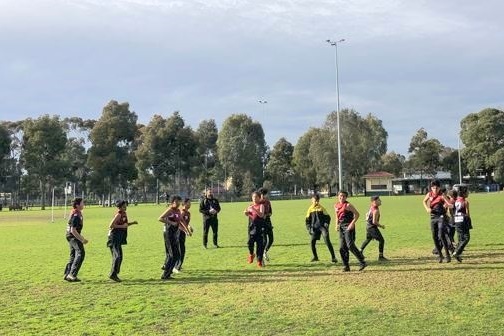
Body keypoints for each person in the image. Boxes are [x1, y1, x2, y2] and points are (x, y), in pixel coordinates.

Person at [107, 200, 139, 282]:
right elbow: (111, 225)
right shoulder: (118, 215)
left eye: (126, 206)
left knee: (120, 256)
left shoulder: (124, 214)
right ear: (120, 207)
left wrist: (132, 223)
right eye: (124, 206)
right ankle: (113, 274)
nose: (126, 207)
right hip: (113, 238)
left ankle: (115, 273)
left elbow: (125, 224)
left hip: (118, 238)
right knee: (117, 256)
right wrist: (122, 226)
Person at [159, 195, 190, 280]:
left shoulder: (178, 211)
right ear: (172, 202)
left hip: (175, 234)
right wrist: (171, 223)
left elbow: (182, 221)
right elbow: (160, 218)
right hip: (168, 234)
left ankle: (168, 273)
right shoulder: (170, 210)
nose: (178, 203)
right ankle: (165, 274)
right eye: (176, 202)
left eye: (179, 202)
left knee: (176, 255)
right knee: (172, 255)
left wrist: (186, 230)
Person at [335, 191, 366, 272]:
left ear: (346, 197)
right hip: (341, 227)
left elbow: (357, 214)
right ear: (338, 196)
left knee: (350, 245)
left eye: (344, 196)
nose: (342, 197)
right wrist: (336, 225)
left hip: (348, 226)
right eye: (340, 196)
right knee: (342, 247)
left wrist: (352, 224)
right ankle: (346, 266)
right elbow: (336, 215)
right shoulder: (336, 205)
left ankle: (362, 261)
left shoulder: (348, 205)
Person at [422, 180, 452, 263]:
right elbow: (424, 201)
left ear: (439, 188)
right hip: (433, 217)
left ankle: (447, 255)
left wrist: (448, 205)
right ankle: (440, 255)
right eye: (433, 187)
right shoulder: (429, 194)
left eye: (436, 188)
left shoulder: (442, 195)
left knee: (441, 234)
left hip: (441, 216)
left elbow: (449, 203)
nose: (434, 189)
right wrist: (427, 208)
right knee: (434, 236)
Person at [305, 194, 337, 263]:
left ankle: (333, 257)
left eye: (317, 201)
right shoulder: (310, 209)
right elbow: (307, 220)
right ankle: (315, 257)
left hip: (322, 228)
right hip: (314, 228)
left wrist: (326, 224)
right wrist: (309, 228)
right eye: (314, 200)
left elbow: (328, 217)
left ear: (319, 201)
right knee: (312, 242)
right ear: (312, 200)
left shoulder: (322, 208)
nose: (316, 202)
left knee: (327, 242)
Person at [64, 197, 88, 282]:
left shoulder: (77, 212)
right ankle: (72, 274)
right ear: (77, 205)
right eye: (82, 203)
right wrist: (82, 239)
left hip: (70, 236)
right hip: (72, 236)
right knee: (81, 253)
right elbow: (73, 230)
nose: (83, 204)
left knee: (73, 255)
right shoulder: (75, 215)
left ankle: (67, 274)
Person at [360, 196, 388, 261]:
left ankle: (360, 251)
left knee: (368, 239)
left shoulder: (372, 207)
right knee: (381, 240)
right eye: (379, 200)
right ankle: (381, 257)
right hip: (372, 227)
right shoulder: (376, 210)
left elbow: (367, 214)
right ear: (374, 202)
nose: (380, 201)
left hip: (368, 226)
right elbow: (374, 222)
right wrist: (381, 226)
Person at [244, 191, 266, 267]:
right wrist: (246, 213)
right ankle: (251, 254)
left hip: (260, 228)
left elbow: (261, 215)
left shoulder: (261, 206)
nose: (254, 198)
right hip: (251, 227)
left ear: (259, 198)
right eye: (253, 197)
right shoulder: (250, 206)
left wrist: (254, 209)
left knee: (260, 245)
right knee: (249, 243)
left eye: (256, 197)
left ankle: (259, 261)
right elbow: (249, 214)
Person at [174, 198, 194, 273]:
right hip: (179, 232)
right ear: (184, 204)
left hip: (183, 233)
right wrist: (186, 231)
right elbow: (179, 223)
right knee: (180, 250)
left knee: (181, 249)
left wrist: (189, 226)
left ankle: (178, 265)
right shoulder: (182, 212)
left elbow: (185, 222)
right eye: (188, 203)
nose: (190, 204)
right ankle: (176, 267)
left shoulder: (188, 213)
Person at [452, 187, 471, 262]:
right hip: (463, 220)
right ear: (463, 193)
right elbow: (467, 213)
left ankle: (457, 255)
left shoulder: (456, 200)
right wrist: (469, 221)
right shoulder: (465, 202)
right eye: (467, 192)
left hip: (456, 220)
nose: (468, 193)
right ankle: (457, 252)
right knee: (466, 238)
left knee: (460, 239)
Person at [258, 187, 274, 261]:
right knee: (264, 240)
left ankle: (265, 251)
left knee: (271, 239)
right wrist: (261, 215)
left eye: (264, 194)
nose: (263, 196)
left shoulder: (268, 202)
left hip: (268, 222)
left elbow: (270, 212)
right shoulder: (258, 203)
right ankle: (261, 258)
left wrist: (267, 215)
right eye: (261, 194)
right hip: (261, 223)